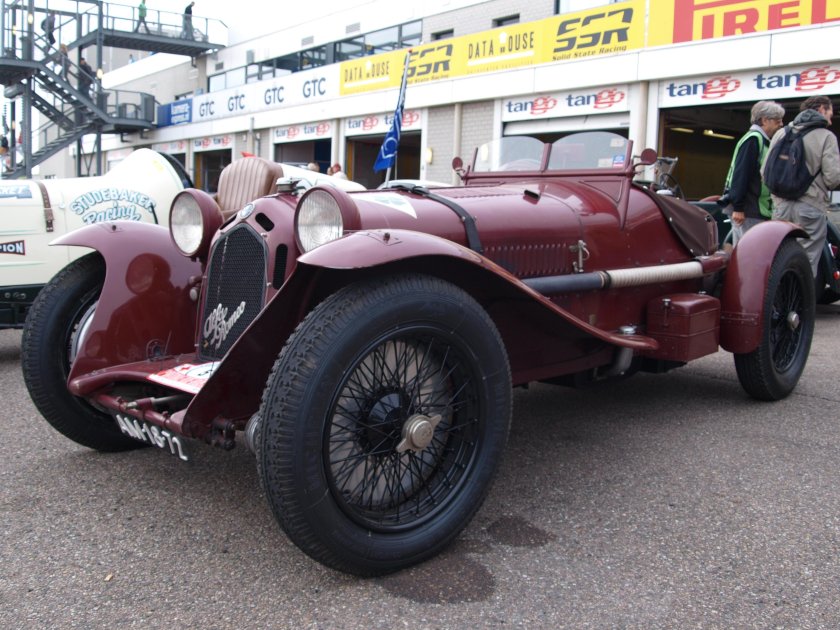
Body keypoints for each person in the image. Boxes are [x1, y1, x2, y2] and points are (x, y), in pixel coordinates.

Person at [764, 95, 840, 277]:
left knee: (780, 257)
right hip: (810, 208)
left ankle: (778, 294)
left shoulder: (781, 133)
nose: (831, 119)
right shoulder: (826, 137)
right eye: (830, 113)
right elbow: (832, 178)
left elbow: (764, 172)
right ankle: (802, 296)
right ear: (821, 109)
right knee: (807, 261)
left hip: (780, 208)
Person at [721, 100, 785, 249]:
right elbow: (741, 174)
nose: (781, 125)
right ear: (764, 120)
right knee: (749, 252)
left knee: (750, 251)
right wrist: (738, 207)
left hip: (753, 208)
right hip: (748, 209)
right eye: (777, 121)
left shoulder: (760, 140)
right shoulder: (753, 140)